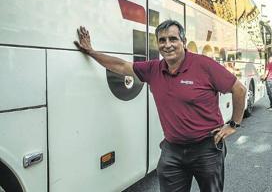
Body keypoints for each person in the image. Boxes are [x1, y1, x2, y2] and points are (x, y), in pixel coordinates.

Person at [74, 20, 246, 192]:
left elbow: (239, 89)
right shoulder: (153, 69)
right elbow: (120, 66)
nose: (167, 45)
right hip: (173, 151)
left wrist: (233, 124)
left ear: (183, 42)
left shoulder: (204, 65)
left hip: (206, 149)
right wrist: (91, 52)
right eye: (162, 40)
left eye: (173, 39)